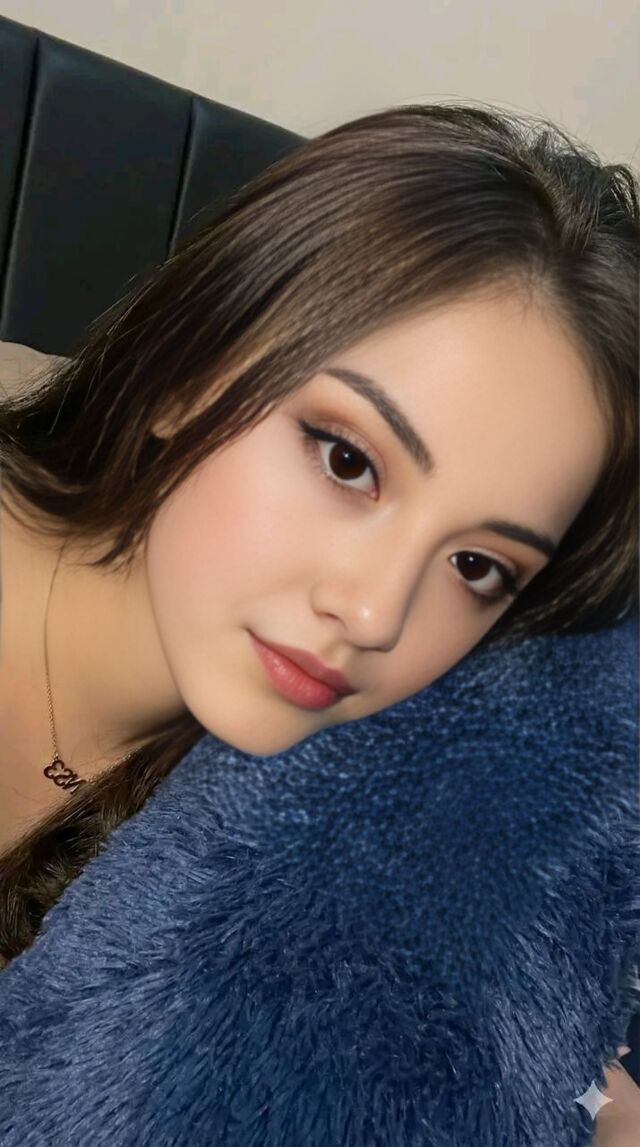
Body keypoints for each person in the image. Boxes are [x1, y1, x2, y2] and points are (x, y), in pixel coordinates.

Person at [0, 101, 638, 1139]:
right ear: (187, 369)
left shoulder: (330, 804)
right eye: (348, 460)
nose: (376, 612)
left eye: (477, 565)